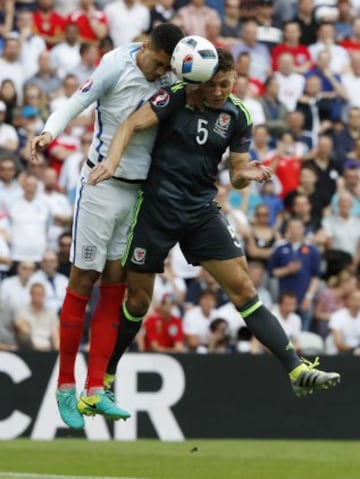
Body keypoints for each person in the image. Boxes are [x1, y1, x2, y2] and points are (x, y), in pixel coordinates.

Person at [89, 48, 340, 411]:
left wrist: (244, 175)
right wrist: (111, 162)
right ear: (199, 80)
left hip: (200, 210)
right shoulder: (173, 98)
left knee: (243, 287)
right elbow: (130, 123)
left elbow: (237, 174)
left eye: (227, 83)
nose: (221, 90)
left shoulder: (237, 114)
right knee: (139, 301)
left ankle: (296, 368)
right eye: (214, 84)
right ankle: (106, 378)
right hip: (157, 209)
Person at [30, 23, 185, 430]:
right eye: (157, 62)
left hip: (137, 195)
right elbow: (75, 102)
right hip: (101, 187)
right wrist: (50, 130)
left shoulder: (173, 73)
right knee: (83, 281)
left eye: (167, 66)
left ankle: (94, 389)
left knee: (115, 286)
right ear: (146, 46)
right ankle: (65, 385)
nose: (160, 72)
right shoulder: (115, 65)